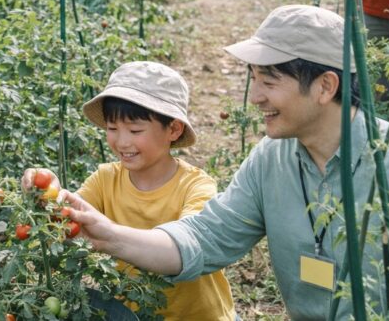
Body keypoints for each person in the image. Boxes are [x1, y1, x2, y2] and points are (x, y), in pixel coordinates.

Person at [60, 6, 389, 320]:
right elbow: (206, 237)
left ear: (326, 86)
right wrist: (111, 236)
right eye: (254, 80)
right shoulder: (272, 159)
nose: (255, 97)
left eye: (269, 81)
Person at [23, 61, 236, 321]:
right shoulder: (105, 179)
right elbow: (68, 225)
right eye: (112, 129)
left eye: (135, 130)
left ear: (174, 129)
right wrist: (50, 196)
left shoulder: (195, 187)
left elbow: (192, 244)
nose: (122, 142)